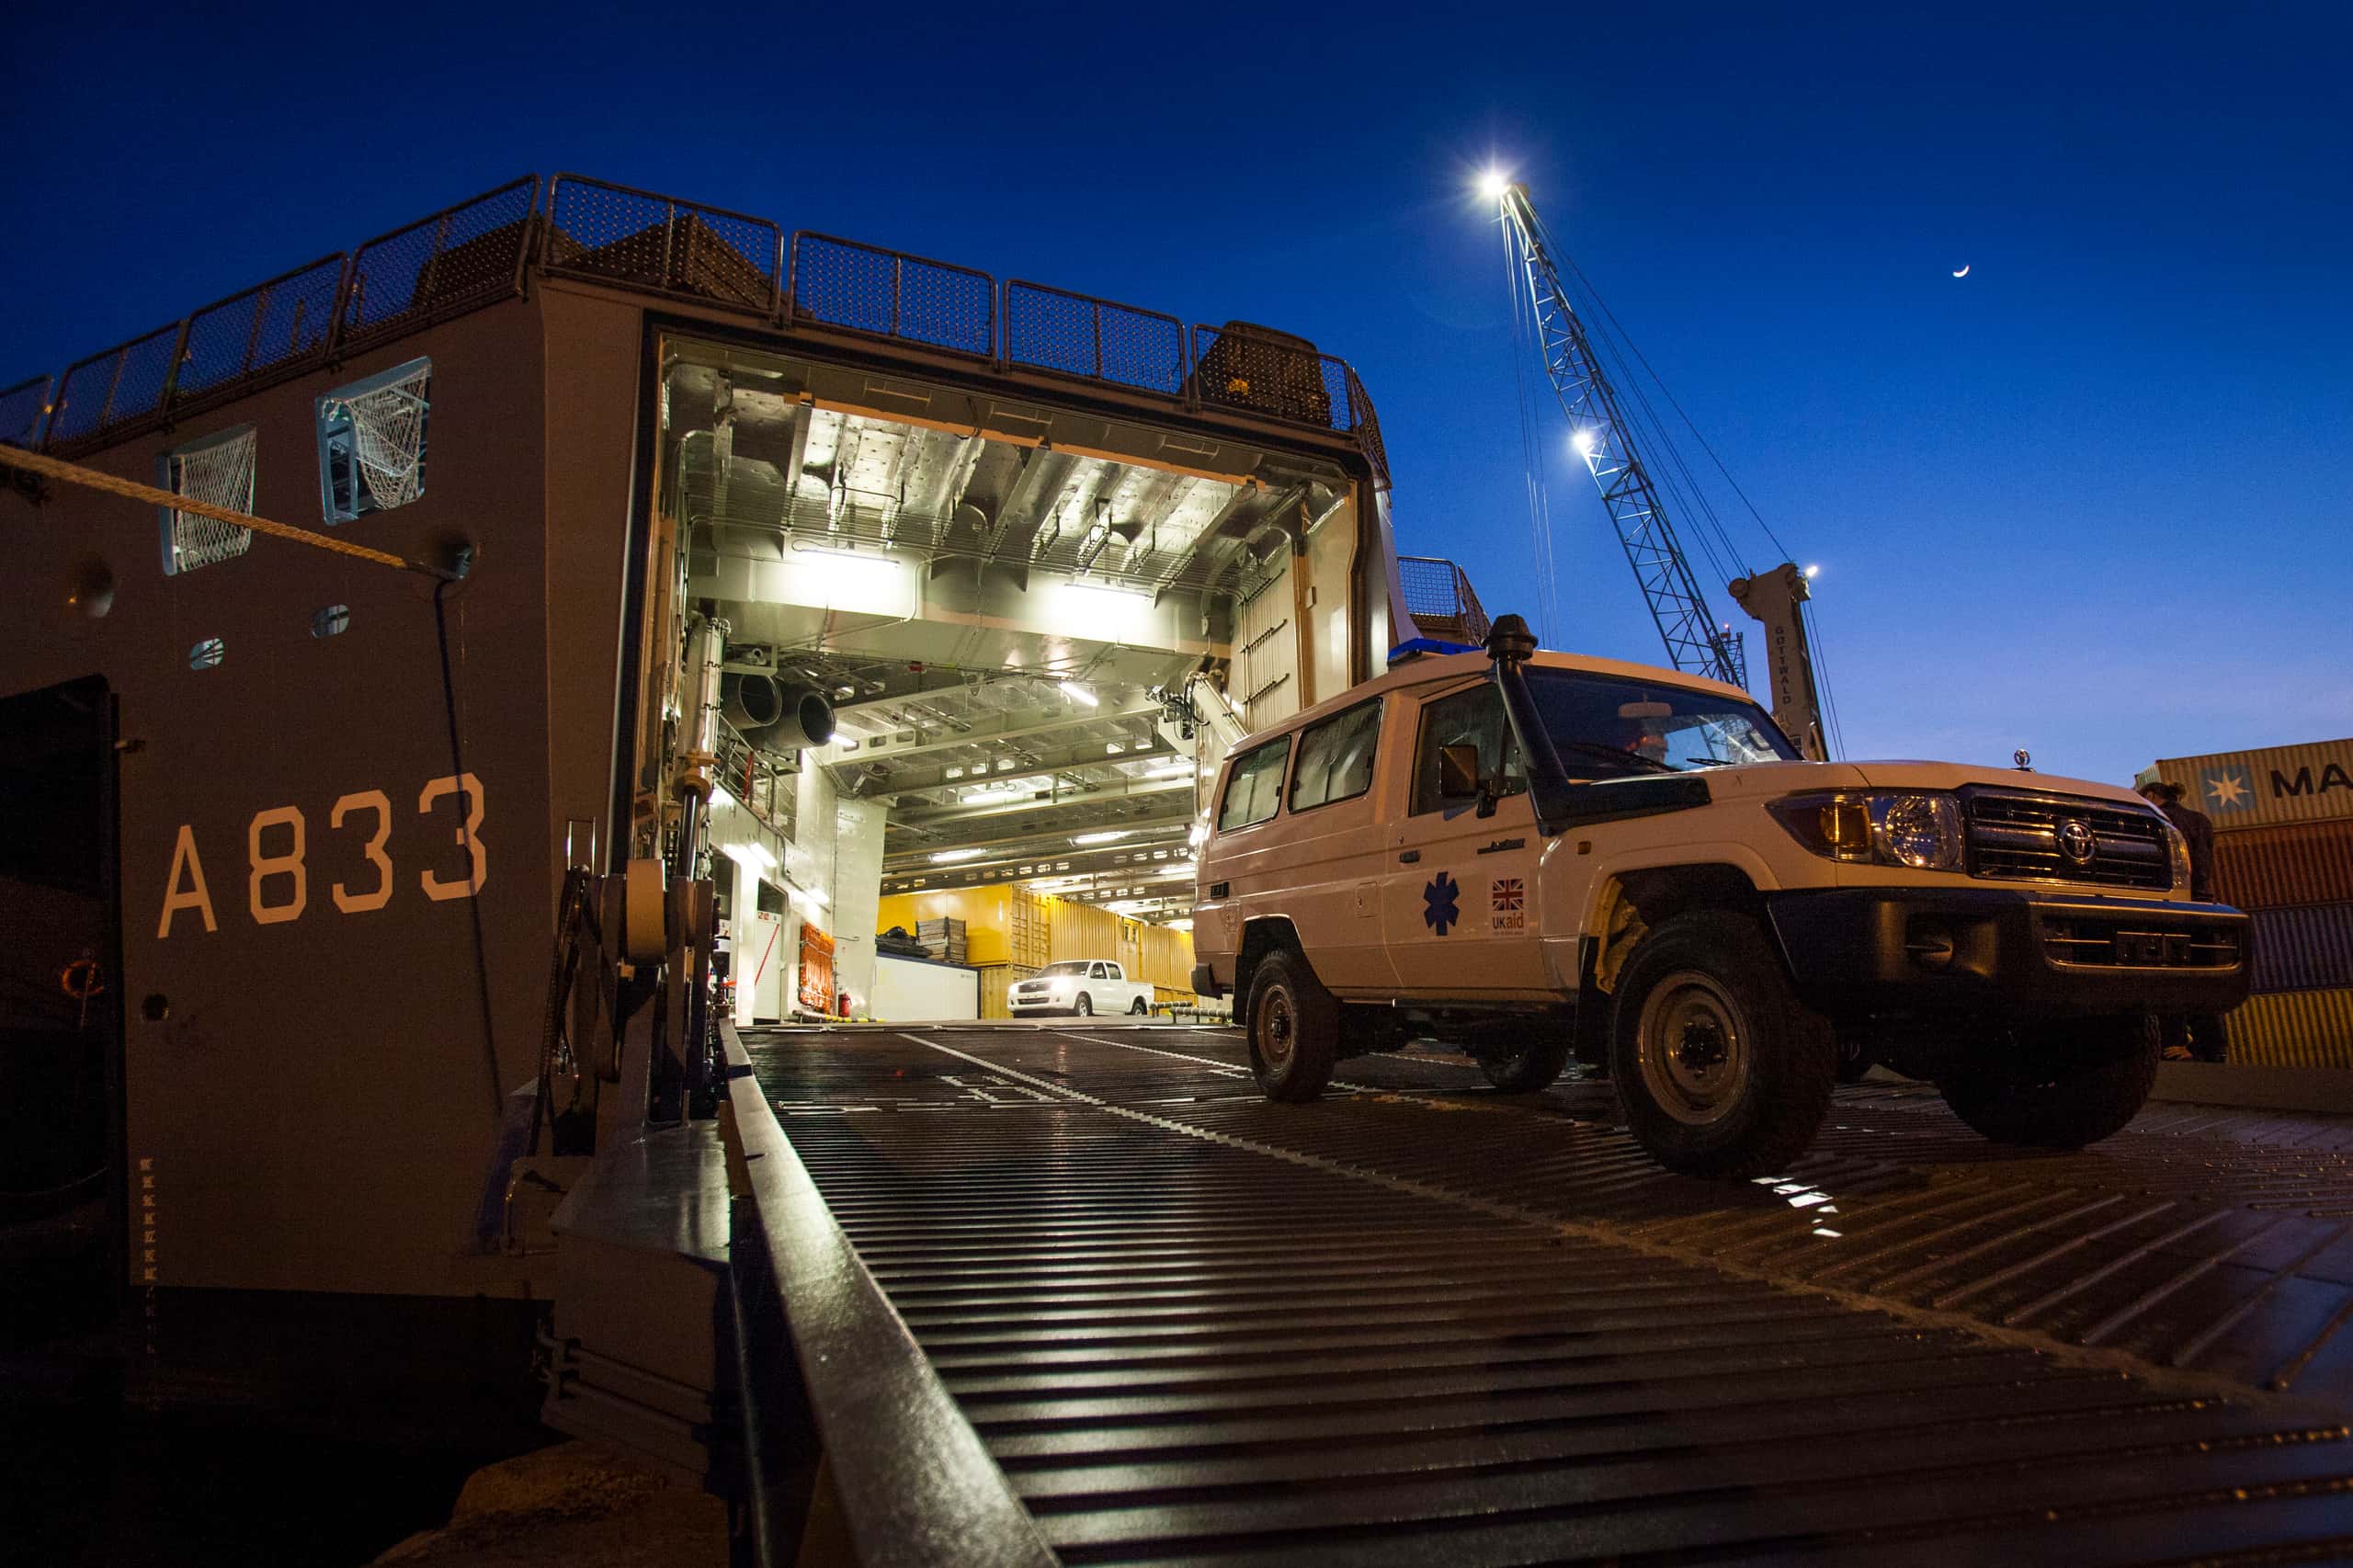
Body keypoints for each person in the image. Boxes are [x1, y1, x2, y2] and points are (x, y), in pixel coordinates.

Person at [2141, 779, 2226, 1062]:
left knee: (2170, 978)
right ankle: (2212, 1046)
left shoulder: (2159, 819)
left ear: (2152, 796)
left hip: (2174, 906)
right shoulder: (2200, 820)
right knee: (2205, 978)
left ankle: (2174, 1045)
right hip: (2205, 905)